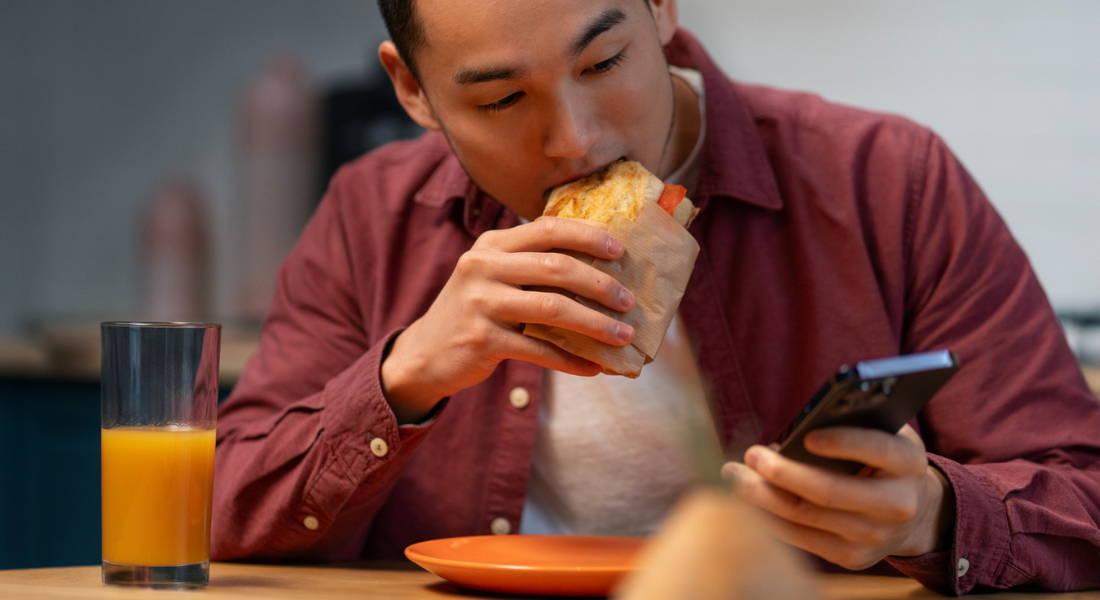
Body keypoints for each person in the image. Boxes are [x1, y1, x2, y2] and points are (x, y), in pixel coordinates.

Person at [211, 0, 1100, 594]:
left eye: (603, 63)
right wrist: (406, 374)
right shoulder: (374, 214)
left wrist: (933, 513)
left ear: (663, 6)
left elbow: (1083, 493)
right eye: (504, 98)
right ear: (412, 89)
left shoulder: (888, 182)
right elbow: (216, 512)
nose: (576, 140)